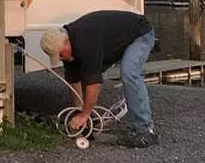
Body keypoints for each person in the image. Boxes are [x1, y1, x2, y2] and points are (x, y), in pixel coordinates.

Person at [41, 10, 158, 148]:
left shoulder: (86, 41)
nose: (60, 58)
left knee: (129, 73)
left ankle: (145, 131)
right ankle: (138, 127)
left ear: (66, 42)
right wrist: (78, 110)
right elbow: (73, 81)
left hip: (140, 32)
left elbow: (93, 83)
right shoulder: (66, 45)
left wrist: (85, 114)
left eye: (60, 54)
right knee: (86, 75)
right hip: (117, 38)